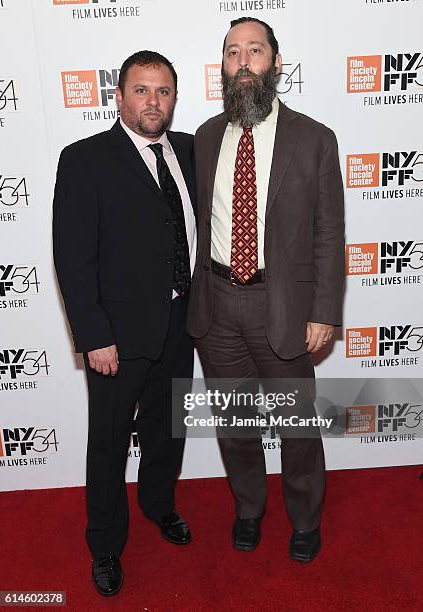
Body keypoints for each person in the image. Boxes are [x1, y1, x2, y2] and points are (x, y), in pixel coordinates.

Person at [188, 17, 345, 562]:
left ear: (276, 63)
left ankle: (305, 520)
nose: (244, 61)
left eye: (255, 50)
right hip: (216, 304)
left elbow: (329, 232)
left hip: (282, 305)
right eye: (233, 52)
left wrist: (324, 309)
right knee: (234, 425)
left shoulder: (315, 138)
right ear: (224, 68)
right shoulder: (206, 138)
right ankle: (248, 509)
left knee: (297, 426)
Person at [53, 50, 196, 596]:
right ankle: (106, 544)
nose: (152, 101)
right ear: (118, 96)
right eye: (141, 90)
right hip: (117, 336)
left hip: (183, 323)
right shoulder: (85, 158)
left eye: (162, 91)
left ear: (173, 98)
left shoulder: (187, 150)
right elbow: (73, 256)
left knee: (166, 429)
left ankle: (160, 505)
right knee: (111, 443)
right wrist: (94, 336)